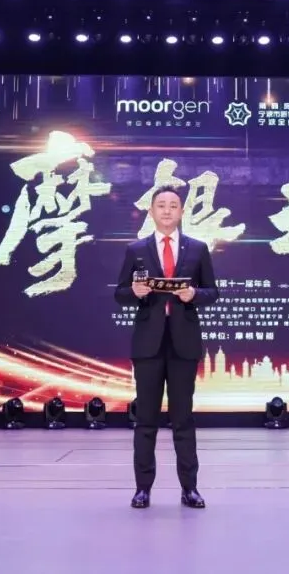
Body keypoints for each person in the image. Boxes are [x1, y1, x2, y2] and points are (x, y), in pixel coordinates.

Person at [114, 185, 219, 509]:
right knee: (145, 419)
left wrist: (194, 295)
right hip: (148, 345)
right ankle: (142, 489)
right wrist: (134, 292)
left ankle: (190, 488)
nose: (167, 210)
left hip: (183, 344)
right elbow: (120, 293)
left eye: (173, 205)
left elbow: (212, 291)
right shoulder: (136, 249)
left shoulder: (197, 248)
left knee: (183, 419)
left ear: (182, 211)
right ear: (152, 211)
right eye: (161, 205)